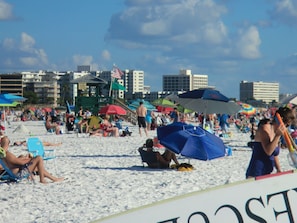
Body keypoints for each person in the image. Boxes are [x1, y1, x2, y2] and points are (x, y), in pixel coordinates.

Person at [245, 107, 295, 178]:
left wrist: (278, 169)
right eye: (286, 125)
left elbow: (274, 154)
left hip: (267, 171)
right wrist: (277, 136)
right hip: (256, 172)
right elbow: (268, 151)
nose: (286, 127)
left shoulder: (276, 131)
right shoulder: (265, 128)